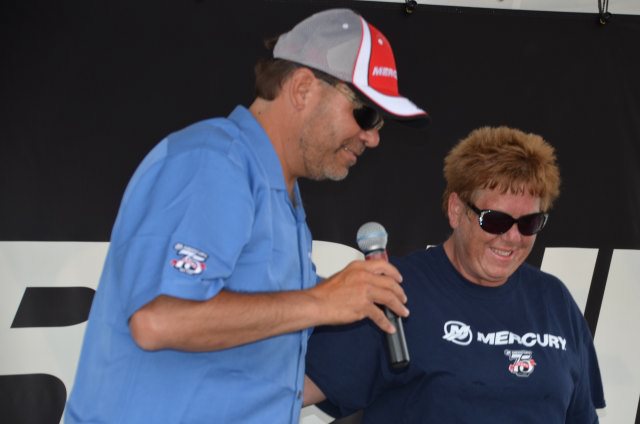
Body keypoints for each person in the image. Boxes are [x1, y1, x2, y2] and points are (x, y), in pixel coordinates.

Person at [64, 8, 429, 424]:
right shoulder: (214, 162)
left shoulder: (280, 192)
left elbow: (263, 313)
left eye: (380, 122)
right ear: (303, 88)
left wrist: (350, 298)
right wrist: (322, 300)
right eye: (365, 113)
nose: (373, 137)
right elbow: (157, 320)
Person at [304, 126, 606, 423]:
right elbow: (292, 391)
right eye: (495, 220)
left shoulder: (554, 301)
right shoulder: (392, 289)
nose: (513, 237)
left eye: (529, 223)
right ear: (456, 210)